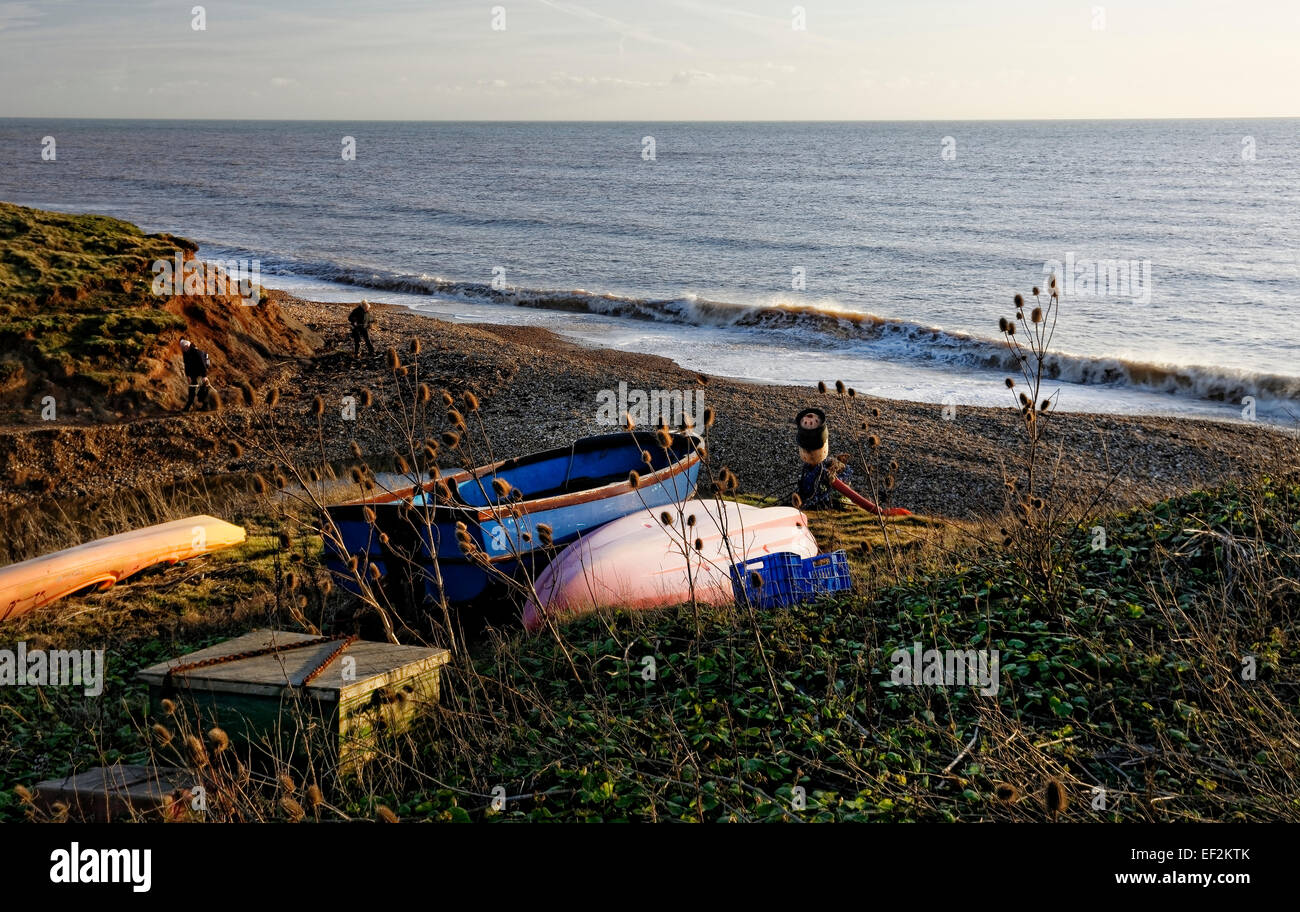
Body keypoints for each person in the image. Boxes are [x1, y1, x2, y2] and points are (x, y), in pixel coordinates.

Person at [179, 339, 210, 412]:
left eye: (183, 347)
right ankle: (193, 406)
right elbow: (186, 365)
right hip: (193, 374)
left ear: (187, 346)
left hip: (199, 374)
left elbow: (203, 365)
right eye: (181, 348)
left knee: (199, 390)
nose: (182, 349)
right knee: (193, 389)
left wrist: (204, 376)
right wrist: (188, 375)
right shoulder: (185, 353)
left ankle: (192, 407)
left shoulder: (197, 353)